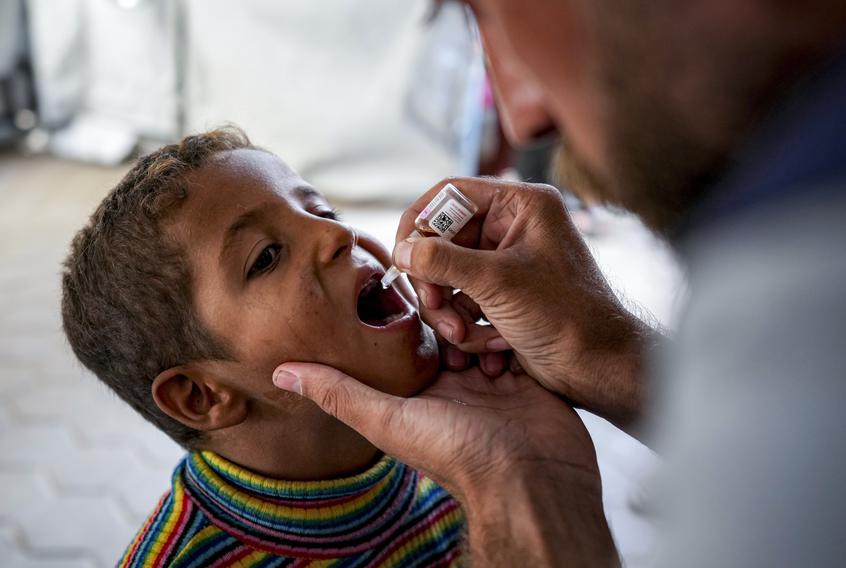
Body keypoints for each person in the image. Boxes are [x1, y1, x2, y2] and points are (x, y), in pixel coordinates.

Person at [272, 0, 846, 565]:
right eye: (265, 256)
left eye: (491, 13)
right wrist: (603, 354)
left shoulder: (797, 306)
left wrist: (515, 481)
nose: (524, 117)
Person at [60, 127, 466, 566]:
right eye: (267, 256)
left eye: (324, 211)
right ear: (202, 395)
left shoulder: (463, 436)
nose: (337, 236)